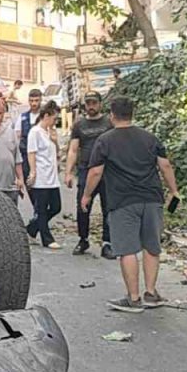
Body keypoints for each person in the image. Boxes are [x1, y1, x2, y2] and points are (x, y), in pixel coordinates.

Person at [81, 96, 180, 312]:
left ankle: (134, 298)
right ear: (132, 113)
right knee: (151, 246)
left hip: (123, 200)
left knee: (127, 250)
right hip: (152, 199)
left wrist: (87, 195)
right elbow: (165, 166)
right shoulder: (150, 138)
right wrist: (174, 191)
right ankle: (151, 293)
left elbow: (96, 171)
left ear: (112, 115)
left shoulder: (105, 140)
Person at [64, 92, 113, 258]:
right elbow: (73, 149)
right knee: (83, 207)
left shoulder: (109, 122)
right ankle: (83, 239)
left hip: (107, 172)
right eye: (88, 103)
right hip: (85, 170)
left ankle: (108, 243)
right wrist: (68, 172)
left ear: (100, 104)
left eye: (94, 103)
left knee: (109, 208)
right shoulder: (79, 124)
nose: (91, 106)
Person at [25, 102, 63, 249]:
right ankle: (47, 239)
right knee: (41, 209)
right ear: (46, 116)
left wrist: (55, 141)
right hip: (41, 176)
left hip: (52, 176)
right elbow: (31, 153)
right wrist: (33, 172)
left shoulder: (49, 132)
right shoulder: (35, 132)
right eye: (54, 118)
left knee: (56, 207)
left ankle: (32, 228)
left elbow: (57, 153)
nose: (55, 122)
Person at [15, 88, 43, 183]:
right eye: (31, 101)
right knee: (29, 183)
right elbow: (17, 136)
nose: (34, 103)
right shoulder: (22, 117)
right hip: (25, 156)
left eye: (36, 100)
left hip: (41, 157)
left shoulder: (45, 117)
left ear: (40, 100)